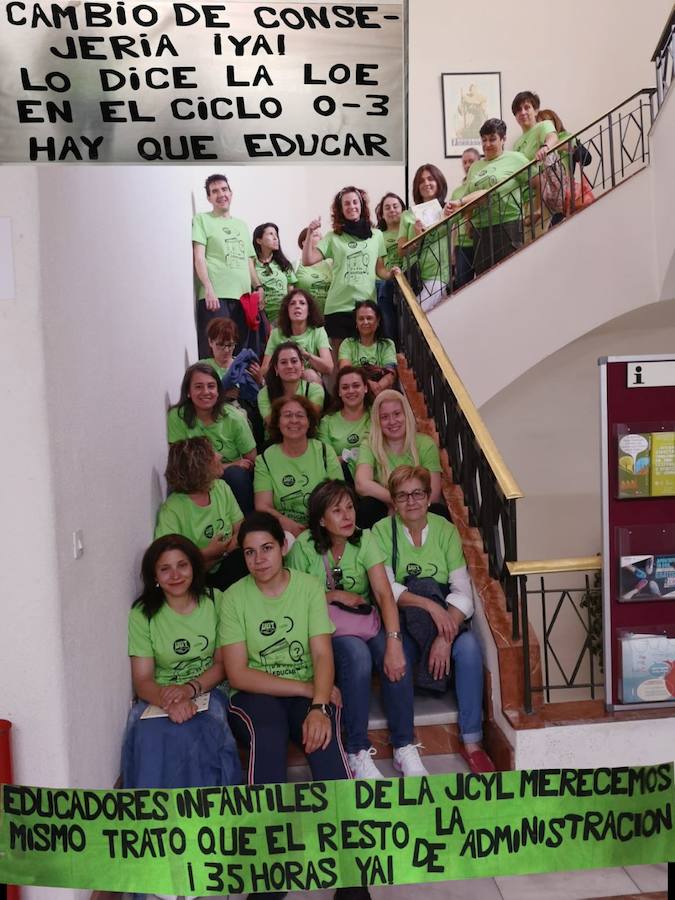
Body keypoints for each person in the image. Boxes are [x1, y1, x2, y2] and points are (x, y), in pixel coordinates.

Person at [287, 480, 428, 779]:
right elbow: (294, 601)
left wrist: (392, 640)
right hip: (324, 629)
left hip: (363, 621)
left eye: (350, 507)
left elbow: (384, 594)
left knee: (396, 654)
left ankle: (404, 745)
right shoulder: (303, 548)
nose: (347, 516)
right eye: (337, 511)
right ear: (322, 520)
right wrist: (334, 595)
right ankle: (357, 750)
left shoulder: (364, 540)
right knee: (357, 656)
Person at [372, 466, 495, 774]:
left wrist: (445, 634)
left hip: (445, 611)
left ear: (428, 498)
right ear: (394, 502)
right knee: (396, 660)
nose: (410, 501)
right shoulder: (381, 532)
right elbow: (387, 589)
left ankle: (472, 742)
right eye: (402, 495)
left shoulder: (445, 530)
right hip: (404, 615)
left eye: (417, 494)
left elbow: (462, 590)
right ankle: (404, 743)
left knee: (467, 651)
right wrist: (429, 606)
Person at [218, 511, 352, 784]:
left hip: (306, 691)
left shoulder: (308, 587)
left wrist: (318, 707)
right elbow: (238, 675)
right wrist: (309, 689)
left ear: (282, 547)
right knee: (268, 734)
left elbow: (322, 653)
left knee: (323, 738)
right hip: (254, 693)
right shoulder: (233, 597)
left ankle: (343, 823)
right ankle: (266, 825)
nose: (259, 560)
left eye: (266, 548)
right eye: (249, 552)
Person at [122, 534, 241, 789]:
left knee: (200, 729)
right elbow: (142, 679)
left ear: (194, 567)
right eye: (165, 569)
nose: (175, 575)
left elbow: (222, 665)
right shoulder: (143, 613)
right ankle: (154, 818)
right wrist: (170, 699)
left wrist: (188, 690)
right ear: (154, 575)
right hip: (159, 694)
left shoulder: (216, 600)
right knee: (147, 734)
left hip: (208, 688)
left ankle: (208, 814)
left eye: (182, 565)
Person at [302, 186, 398, 349]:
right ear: (341, 209)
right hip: (338, 307)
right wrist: (310, 232)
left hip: (366, 308)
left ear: (361, 205)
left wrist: (391, 274)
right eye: (346, 204)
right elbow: (308, 260)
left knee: (363, 363)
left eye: (355, 202)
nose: (352, 206)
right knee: (341, 366)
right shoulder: (333, 236)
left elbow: (379, 269)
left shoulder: (376, 235)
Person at [155, 437, 247, 591]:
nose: (220, 456)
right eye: (212, 455)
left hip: (227, 563)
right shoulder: (172, 509)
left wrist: (226, 550)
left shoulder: (221, 488)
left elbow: (240, 526)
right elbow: (167, 558)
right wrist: (207, 553)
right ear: (198, 467)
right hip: (194, 576)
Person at [192, 173, 266, 358]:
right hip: (216, 298)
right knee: (217, 353)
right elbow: (199, 257)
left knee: (242, 354)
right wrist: (208, 288)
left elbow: (248, 261)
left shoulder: (241, 225)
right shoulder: (202, 220)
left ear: (231, 193)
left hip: (243, 299)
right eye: (214, 191)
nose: (220, 194)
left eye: (224, 189)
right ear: (209, 197)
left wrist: (258, 287)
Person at [167, 363, 257, 514]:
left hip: (231, 478)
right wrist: (226, 466)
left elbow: (251, 461)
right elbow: (180, 466)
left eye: (211, 386)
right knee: (174, 488)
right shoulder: (177, 416)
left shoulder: (234, 417)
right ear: (188, 391)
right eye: (198, 387)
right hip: (193, 478)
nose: (206, 392)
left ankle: (245, 526)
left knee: (237, 475)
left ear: (218, 390)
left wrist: (229, 468)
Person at [446, 119, 529, 276]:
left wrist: (534, 209)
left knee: (510, 274)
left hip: (509, 224)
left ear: (503, 139)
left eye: (492, 139)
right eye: (484, 140)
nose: (487, 144)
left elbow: (536, 182)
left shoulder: (516, 158)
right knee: (484, 278)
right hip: (481, 229)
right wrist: (469, 221)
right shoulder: (476, 166)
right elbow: (469, 194)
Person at [254, 395, 343, 538]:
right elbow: (263, 506)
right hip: (284, 531)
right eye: (287, 415)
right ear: (277, 422)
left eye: (300, 415)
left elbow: (339, 496)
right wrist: (286, 523)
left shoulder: (325, 452)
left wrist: (318, 526)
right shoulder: (264, 459)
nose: (294, 420)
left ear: (309, 422)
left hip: (324, 527)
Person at [355, 389, 442, 527]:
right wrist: (395, 501)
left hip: (419, 508)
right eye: (384, 417)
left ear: (406, 415)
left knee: (438, 511)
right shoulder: (370, 444)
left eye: (397, 414)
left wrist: (406, 506)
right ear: (377, 421)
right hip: (385, 509)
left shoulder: (425, 444)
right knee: (368, 507)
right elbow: (361, 484)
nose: (392, 421)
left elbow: (434, 493)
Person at [397, 164, 451, 312]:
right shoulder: (408, 215)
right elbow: (401, 251)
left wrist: (456, 204)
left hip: (438, 275)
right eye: (421, 181)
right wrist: (417, 237)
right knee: (415, 319)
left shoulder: (448, 209)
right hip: (412, 275)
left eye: (430, 179)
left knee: (418, 316)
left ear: (439, 182)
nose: (426, 183)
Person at [261, 288, 333, 385]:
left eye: (302, 303)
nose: (297, 306)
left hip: (308, 381)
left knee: (310, 374)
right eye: (292, 303)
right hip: (283, 380)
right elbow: (264, 371)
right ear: (287, 310)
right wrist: (283, 362)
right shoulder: (276, 333)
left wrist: (306, 355)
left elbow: (329, 367)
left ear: (309, 311)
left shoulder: (318, 331)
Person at [318, 366, 371, 482]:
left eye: (356, 385)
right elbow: (326, 460)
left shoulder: (377, 415)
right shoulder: (327, 422)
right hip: (341, 480)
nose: (351, 391)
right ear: (339, 392)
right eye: (345, 387)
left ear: (365, 388)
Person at [338, 300, 398, 396]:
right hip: (355, 391)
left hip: (381, 392)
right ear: (356, 322)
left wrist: (378, 387)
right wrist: (368, 384)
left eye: (369, 318)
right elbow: (346, 371)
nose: (365, 322)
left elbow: (390, 374)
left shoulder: (387, 344)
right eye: (361, 319)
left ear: (378, 321)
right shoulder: (347, 344)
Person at [257, 342, 325, 426]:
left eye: (294, 361)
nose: (289, 366)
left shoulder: (315, 390)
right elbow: (273, 423)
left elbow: (310, 419)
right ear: (276, 369)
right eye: (283, 362)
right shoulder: (264, 393)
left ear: (302, 365)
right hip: (276, 438)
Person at [374, 191, 406, 343]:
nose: (392, 210)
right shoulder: (377, 236)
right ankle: (391, 345)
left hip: (409, 276)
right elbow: (379, 267)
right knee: (384, 286)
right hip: (387, 280)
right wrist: (389, 274)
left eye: (395, 206)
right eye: (387, 207)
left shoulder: (409, 229)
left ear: (403, 209)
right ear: (381, 214)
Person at [252, 222, 297, 326]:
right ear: (259, 240)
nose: (275, 238)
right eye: (271, 234)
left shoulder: (284, 263)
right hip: (260, 317)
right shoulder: (252, 265)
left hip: (283, 317)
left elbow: (291, 291)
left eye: (276, 235)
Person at [450, 147, 481, 290]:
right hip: (462, 245)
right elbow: (454, 224)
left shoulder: (482, 184)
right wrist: (453, 251)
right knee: (463, 286)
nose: (467, 165)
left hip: (481, 240)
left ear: (479, 162)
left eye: (471, 161)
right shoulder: (457, 192)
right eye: (464, 162)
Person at [294, 226, 333, 315]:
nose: (321, 238)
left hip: (328, 316)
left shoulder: (330, 264)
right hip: (305, 317)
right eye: (316, 235)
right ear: (304, 242)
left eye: (321, 235)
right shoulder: (295, 265)